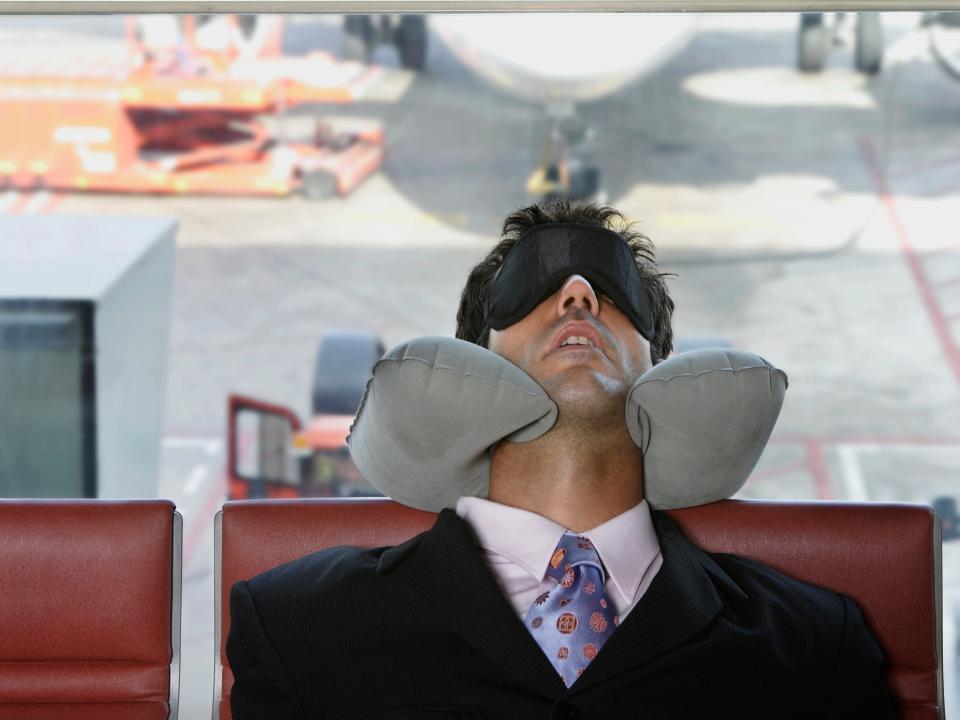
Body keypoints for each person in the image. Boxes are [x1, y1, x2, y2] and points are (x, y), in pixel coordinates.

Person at [227, 200, 895, 719]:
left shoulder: (811, 645)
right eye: (535, 288)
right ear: (477, 359)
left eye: (612, 291)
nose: (578, 295)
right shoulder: (301, 626)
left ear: (660, 371)